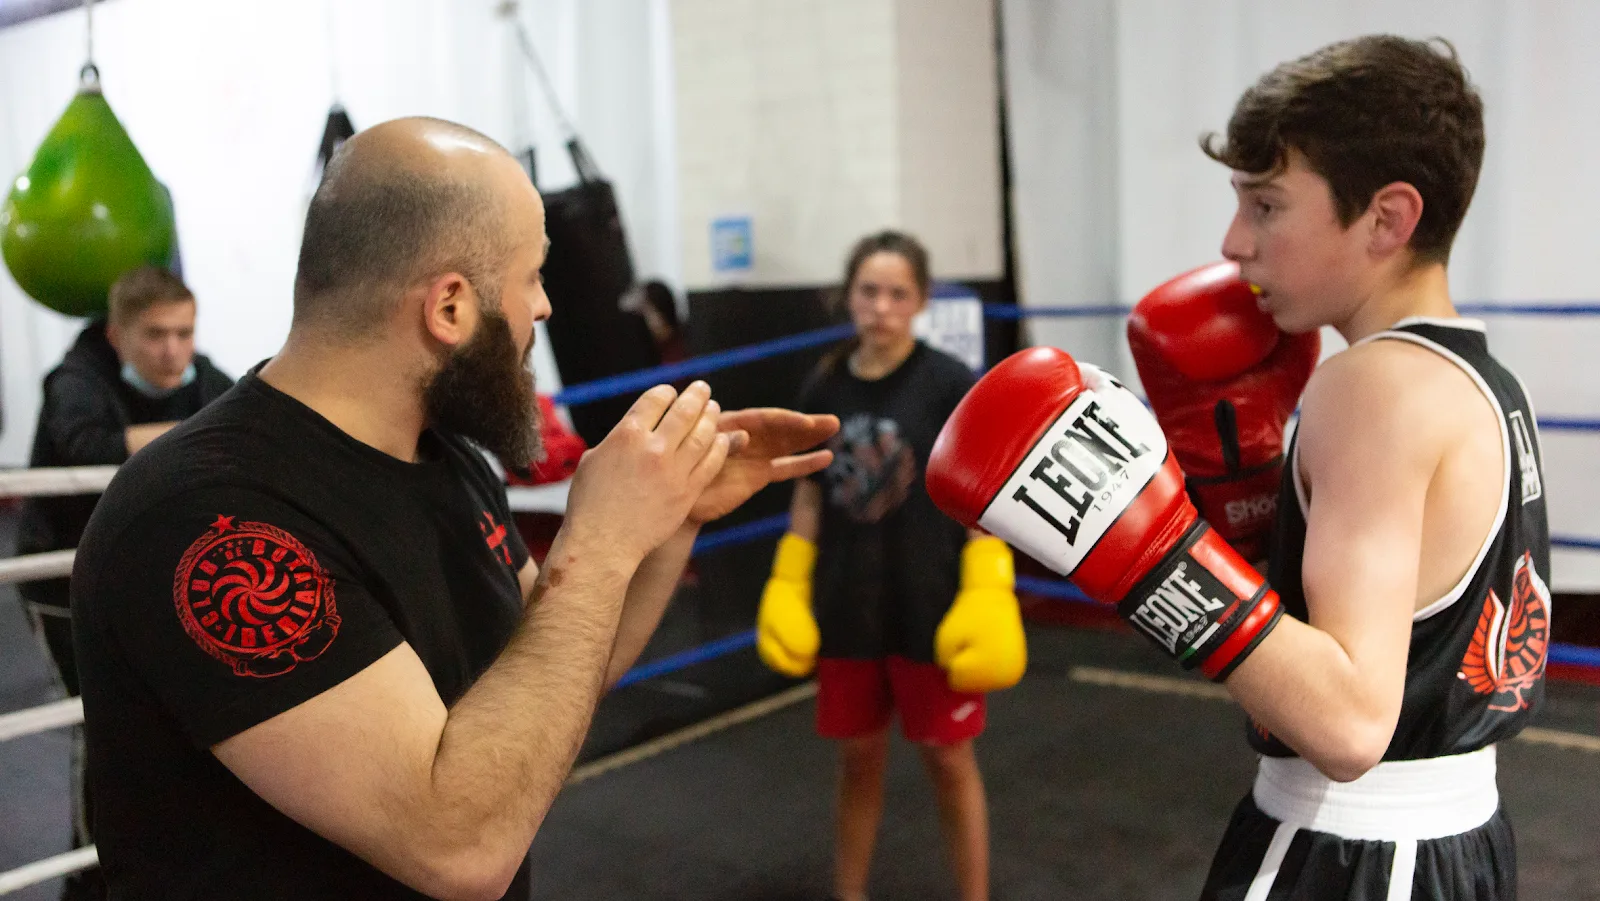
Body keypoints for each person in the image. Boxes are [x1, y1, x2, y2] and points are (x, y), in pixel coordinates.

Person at [68, 117, 838, 900]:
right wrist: (598, 540)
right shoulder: (210, 522)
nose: (544, 307)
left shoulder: (447, 457)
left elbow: (563, 660)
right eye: (533, 275)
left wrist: (669, 519)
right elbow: (457, 845)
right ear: (449, 307)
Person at [923, 36, 1548, 901]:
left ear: (1387, 218)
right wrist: (1245, 497)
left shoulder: (1368, 387)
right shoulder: (1482, 380)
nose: (1234, 242)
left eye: (1266, 205)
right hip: (1462, 842)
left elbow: (1350, 722)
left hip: (1352, 855)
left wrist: (1145, 549)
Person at [756, 230, 1026, 901]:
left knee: (948, 757)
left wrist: (988, 586)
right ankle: (849, 894)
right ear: (849, 296)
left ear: (921, 301)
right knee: (858, 757)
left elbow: (981, 492)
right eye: (869, 291)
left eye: (897, 293)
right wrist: (788, 580)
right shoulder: (824, 382)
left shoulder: (945, 382)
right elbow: (809, 493)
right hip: (848, 600)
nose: (881, 306)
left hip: (930, 599)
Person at [16, 264, 232, 900]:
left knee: (166, 713)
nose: (173, 351)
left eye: (184, 333)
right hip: (62, 576)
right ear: (117, 335)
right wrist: (198, 436)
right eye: (155, 335)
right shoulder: (76, 377)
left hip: (145, 573)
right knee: (97, 714)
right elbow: (87, 444)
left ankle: (164, 847)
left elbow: (252, 417)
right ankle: (91, 870)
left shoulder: (203, 374)